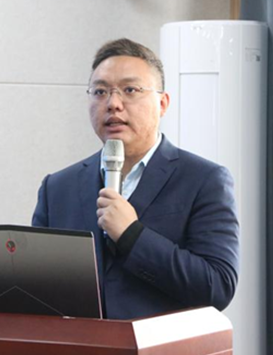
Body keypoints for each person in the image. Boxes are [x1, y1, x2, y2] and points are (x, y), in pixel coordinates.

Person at [32, 38, 240, 320]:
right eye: (100, 92)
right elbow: (38, 288)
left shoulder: (204, 180)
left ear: (162, 103)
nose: (113, 104)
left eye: (130, 90)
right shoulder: (57, 188)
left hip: (160, 347)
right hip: (78, 347)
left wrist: (132, 235)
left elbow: (217, 286)